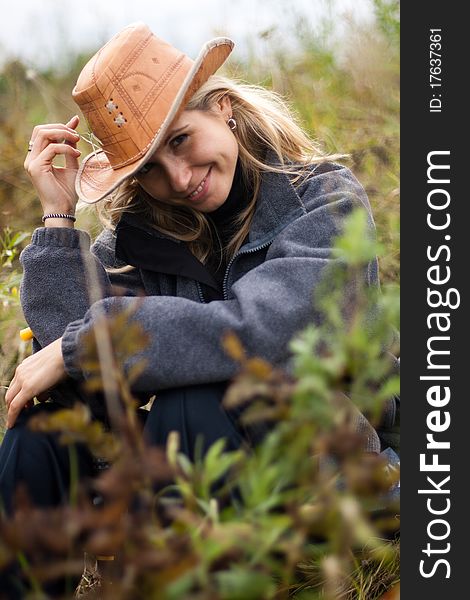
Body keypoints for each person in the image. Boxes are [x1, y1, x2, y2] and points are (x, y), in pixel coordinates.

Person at [1, 20, 391, 571]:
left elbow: (269, 336)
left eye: (180, 141)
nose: (180, 179)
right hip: (186, 465)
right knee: (38, 435)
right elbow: (74, 360)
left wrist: (87, 343)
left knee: (198, 397)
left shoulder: (325, 201)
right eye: (151, 170)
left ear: (223, 108)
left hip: (320, 447)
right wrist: (59, 218)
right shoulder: (149, 232)